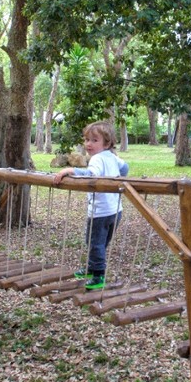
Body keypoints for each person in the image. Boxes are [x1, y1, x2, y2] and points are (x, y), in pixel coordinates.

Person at [53, 120, 129, 290]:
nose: (89, 144)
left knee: (95, 243)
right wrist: (115, 177)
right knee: (99, 243)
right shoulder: (112, 157)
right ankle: (92, 268)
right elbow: (125, 168)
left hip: (100, 211)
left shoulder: (97, 159)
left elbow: (90, 175)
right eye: (87, 139)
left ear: (106, 143)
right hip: (116, 210)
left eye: (95, 140)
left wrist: (70, 170)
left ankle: (98, 276)